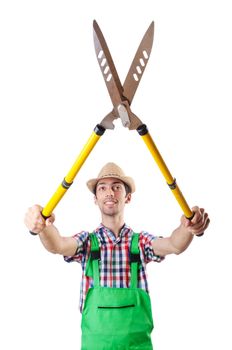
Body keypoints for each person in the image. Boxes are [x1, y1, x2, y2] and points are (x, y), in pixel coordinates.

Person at [24, 162, 210, 350]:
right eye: (102, 188)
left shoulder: (140, 242)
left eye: (116, 187)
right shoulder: (87, 242)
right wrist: (42, 227)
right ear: (95, 199)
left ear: (128, 197)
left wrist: (188, 227)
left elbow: (174, 244)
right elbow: (57, 245)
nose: (109, 193)